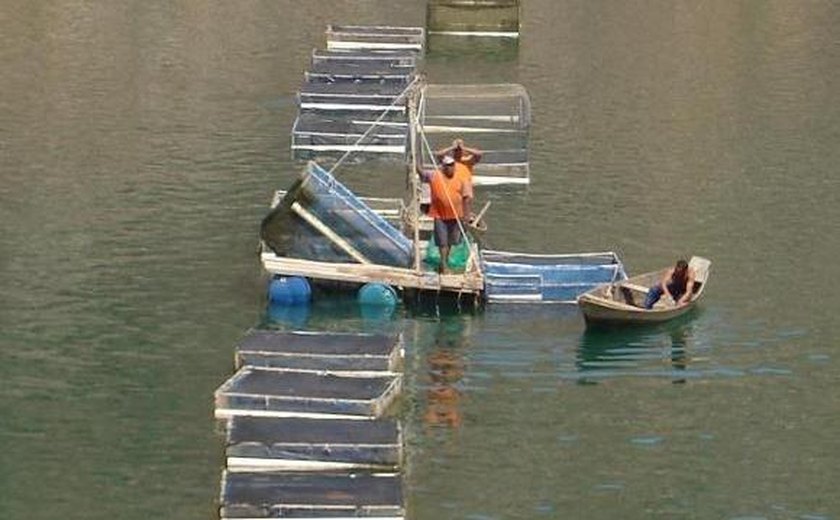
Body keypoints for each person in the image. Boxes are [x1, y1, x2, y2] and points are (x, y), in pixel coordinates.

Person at [418, 155, 474, 274]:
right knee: (442, 241)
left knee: (451, 241)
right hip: (440, 215)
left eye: (452, 165)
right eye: (447, 166)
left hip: (456, 215)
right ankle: (444, 265)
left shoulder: (461, 177)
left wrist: (466, 215)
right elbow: (423, 175)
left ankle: (444, 263)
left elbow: (467, 198)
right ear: (443, 167)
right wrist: (415, 165)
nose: (450, 168)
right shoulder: (435, 175)